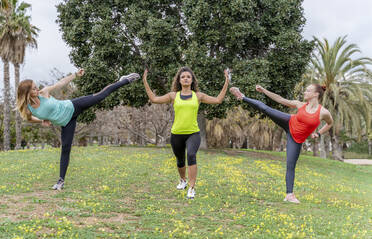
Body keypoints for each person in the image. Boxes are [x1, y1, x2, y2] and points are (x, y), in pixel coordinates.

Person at [16, 69, 140, 190]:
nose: (37, 89)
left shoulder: (44, 93)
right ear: (27, 93)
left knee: (101, 95)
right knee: (65, 149)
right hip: (67, 123)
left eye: (36, 86)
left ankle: (125, 80)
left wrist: (75, 75)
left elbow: (60, 83)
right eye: (34, 88)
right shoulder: (29, 109)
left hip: (73, 106)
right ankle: (61, 181)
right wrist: (41, 120)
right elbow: (29, 119)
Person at [230, 84, 333, 203]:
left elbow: (330, 124)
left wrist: (319, 133)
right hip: (288, 121)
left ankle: (289, 195)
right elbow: (280, 99)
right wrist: (264, 90)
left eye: (308, 90)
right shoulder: (300, 104)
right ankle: (242, 97)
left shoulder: (323, 112)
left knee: (290, 165)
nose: (305, 92)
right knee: (266, 109)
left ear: (316, 94)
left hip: (296, 139)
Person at [143, 67, 229, 199]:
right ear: (179, 80)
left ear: (192, 80)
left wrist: (226, 82)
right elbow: (154, 99)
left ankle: (191, 187)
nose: (186, 79)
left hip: (193, 133)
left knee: (191, 155)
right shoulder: (173, 95)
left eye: (188, 77)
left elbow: (218, 100)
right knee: (180, 160)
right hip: (176, 133)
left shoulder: (198, 96)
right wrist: (145, 81)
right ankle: (183, 180)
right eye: (183, 77)